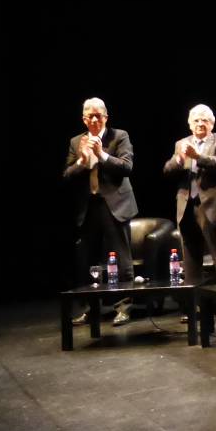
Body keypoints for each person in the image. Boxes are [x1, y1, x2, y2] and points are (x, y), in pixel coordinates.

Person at [63, 97, 138, 326]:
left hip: (115, 204)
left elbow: (126, 167)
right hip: (89, 206)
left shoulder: (119, 136)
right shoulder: (77, 141)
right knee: (87, 260)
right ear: (84, 119)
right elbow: (67, 175)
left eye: (98, 115)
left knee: (121, 258)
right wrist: (82, 161)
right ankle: (90, 309)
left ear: (106, 117)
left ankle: (124, 307)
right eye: (90, 116)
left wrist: (102, 155)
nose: (94, 119)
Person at [162, 104, 216, 324]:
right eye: (196, 120)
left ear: (212, 123)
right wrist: (179, 159)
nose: (200, 123)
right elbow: (168, 170)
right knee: (191, 260)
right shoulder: (181, 143)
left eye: (205, 120)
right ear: (189, 124)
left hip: (213, 207)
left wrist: (198, 156)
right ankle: (193, 306)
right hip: (187, 207)